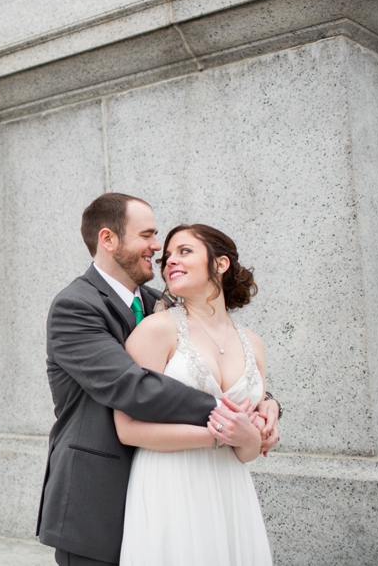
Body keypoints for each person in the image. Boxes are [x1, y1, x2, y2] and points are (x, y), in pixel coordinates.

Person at [36, 193, 280, 566]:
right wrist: (231, 418)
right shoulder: (75, 306)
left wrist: (267, 403)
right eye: (147, 235)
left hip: (174, 490)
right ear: (108, 240)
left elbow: (210, 364)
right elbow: (132, 386)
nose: (157, 248)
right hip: (97, 495)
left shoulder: (160, 303)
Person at [115, 224, 274, 565]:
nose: (170, 260)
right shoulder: (157, 330)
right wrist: (219, 437)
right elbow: (126, 428)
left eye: (184, 251)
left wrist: (250, 437)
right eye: (167, 256)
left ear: (220, 264)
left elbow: (248, 452)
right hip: (170, 483)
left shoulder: (254, 343)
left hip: (231, 488)